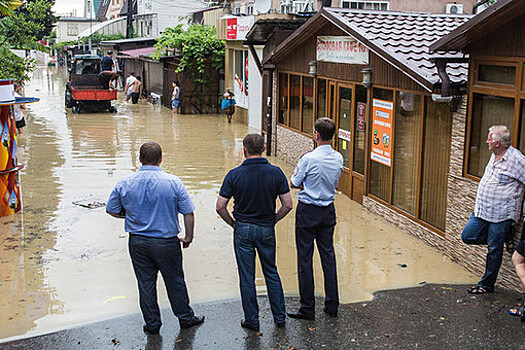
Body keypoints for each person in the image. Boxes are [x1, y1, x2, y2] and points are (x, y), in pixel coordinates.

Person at [106, 142, 205, 334]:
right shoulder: (173, 182)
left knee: (145, 283)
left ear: (140, 159)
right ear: (161, 159)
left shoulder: (125, 182)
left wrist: (129, 216)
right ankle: (185, 318)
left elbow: (111, 209)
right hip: (167, 242)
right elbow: (188, 213)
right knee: (175, 280)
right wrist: (189, 237)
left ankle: (152, 324)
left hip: (138, 242)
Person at [216, 134, 293, 332]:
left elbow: (220, 207)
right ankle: (280, 317)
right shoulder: (276, 173)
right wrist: (273, 220)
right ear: (264, 148)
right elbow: (287, 204)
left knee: (247, 276)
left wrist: (234, 224)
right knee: (271, 272)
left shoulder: (234, 175)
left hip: (243, 228)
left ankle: (252, 320)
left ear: (244, 150)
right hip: (266, 227)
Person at [288, 117, 343, 320]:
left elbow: (294, 182)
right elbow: (334, 182)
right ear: (333, 135)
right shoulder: (338, 158)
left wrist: (305, 185)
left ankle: (307, 308)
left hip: (308, 211)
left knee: (305, 258)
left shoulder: (308, 159)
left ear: (316, 135)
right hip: (328, 210)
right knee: (328, 256)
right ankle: (332, 306)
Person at [462, 125, 525, 294]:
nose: (486, 141)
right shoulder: (495, 154)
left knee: (494, 250)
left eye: (489, 139)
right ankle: (504, 237)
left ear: (497, 143)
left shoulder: (517, 160)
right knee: (468, 236)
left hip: (501, 214)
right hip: (482, 211)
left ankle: (486, 285)